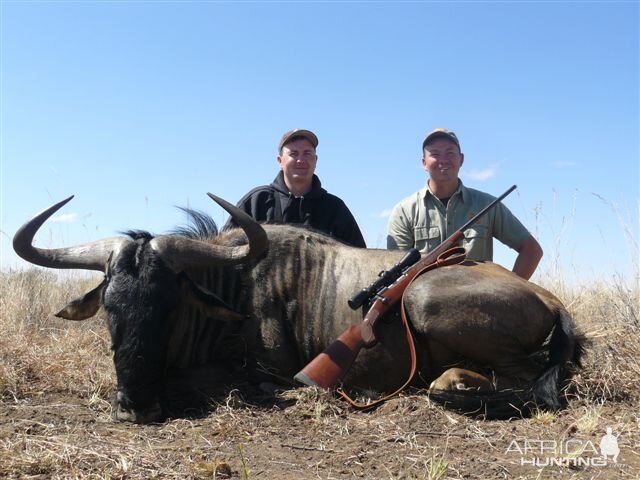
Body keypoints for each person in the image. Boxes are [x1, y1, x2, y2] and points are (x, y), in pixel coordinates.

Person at [387, 128, 542, 279]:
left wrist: (509, 294)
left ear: (461, 159)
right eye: (435, 154)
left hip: (477, 302)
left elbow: (532, 250)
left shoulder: (488, 205)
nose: (443, 160)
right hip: (421, 302)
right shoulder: (404, 212)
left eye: (450, 153)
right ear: (424, 163)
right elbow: (396, 270)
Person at [226, 129, 366, 248]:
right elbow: (224, 249)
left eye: (307, 153)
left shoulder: (335, 208)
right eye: (293, 153)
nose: (301, 160)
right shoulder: (256, 201)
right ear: (280, 161)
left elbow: (359, 256)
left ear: (315, 160)